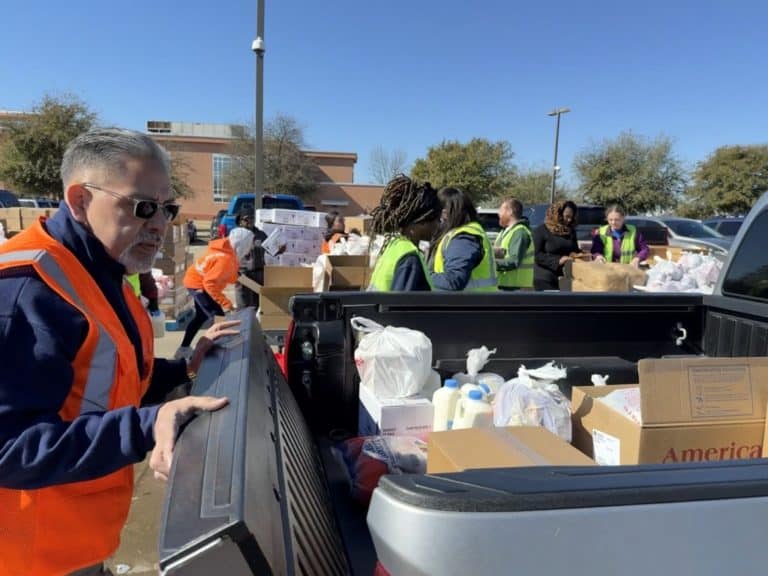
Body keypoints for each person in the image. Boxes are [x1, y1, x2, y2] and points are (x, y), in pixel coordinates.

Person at [0, 127, 238, 576]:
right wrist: (148, 424)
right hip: (30, 556)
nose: (159, 223)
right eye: (142, 206)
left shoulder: (104, 269)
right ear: (80, 200)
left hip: (78, 540)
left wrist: (180, 370)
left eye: (167, 208)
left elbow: (106, 380)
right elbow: (8, 449)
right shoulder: (24, 292)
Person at [179, 225, 255, 353]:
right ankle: (218, 349)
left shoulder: (227, 251)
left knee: (201, 317)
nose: (248, 250)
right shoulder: (224, 258)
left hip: (197, 281)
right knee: (218, 316)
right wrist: (226, 303)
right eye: (248, 246)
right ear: (241, 244)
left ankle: (184, 349)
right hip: (199, 285)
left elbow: (228, 273)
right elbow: (210, 283)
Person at [368, 174, 442, 291]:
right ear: (422, 221)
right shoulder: (409, 259)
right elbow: (402, 307)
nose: (439, 225)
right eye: (437, 219)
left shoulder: (395, 245)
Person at [430, 187, 497, 291]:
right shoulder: (464, 233)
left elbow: (454, 280)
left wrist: (423, 275)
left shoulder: (464, 237)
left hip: (469, 304)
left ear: (445, 213)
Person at [533, 200, 581, 291]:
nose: (569, 220)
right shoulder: (541, 231)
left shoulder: (570, 231)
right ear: (557, 214)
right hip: (544, 279)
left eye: (571, 217)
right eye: (567, 216)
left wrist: (585, 255)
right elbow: (537, 255)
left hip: (565, 279)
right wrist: (558, 260)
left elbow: (574, 250)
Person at [493, 197, 534, 290]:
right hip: (504, 286)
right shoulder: (504, 232)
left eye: (501, 210)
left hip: (515, 288)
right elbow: (501, 253)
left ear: (510, 212)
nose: (498, 213)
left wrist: (492, 264)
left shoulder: (520, 232)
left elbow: (514, 261)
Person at [232, 209, 268, 310]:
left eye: (252, 218)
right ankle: (243, 325)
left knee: (258, 306)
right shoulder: (236, 235)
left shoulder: (261, 235)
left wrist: (279, 250)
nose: (250, 221)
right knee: (243, 305)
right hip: (243, 274)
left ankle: (254, 325)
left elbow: (271, 250)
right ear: (240, 221)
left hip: (259, 274)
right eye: (246, 219)